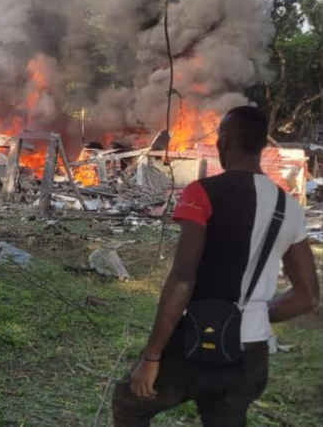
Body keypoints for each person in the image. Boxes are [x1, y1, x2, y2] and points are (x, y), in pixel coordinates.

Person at [112, 106, 320, 427]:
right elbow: (307, 296)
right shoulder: (288, 208)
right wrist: (258, 314)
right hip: (251, 357)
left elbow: (183, 278)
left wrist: (152, 356)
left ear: (223, 142)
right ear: (260, 146)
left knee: (130, 401)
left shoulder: (201, 193)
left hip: (198, 344)